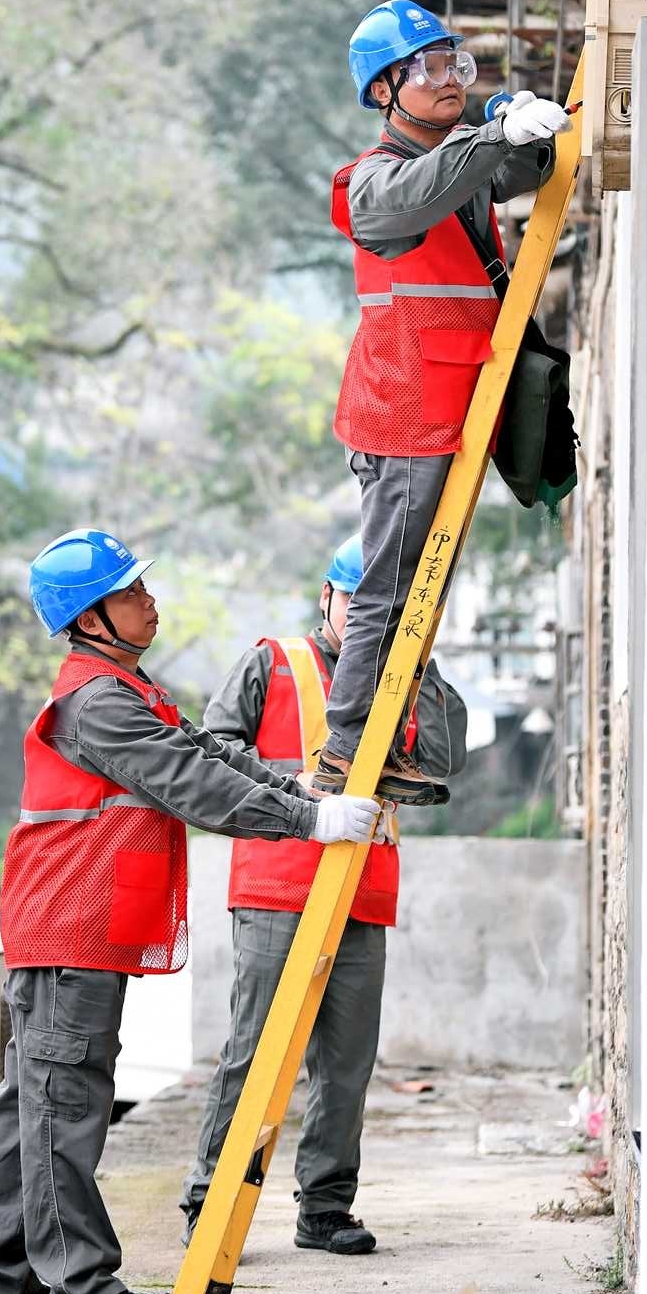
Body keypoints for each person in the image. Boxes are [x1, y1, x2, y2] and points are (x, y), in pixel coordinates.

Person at [0, 527, 381, 1294]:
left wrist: (289, 787)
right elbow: (190, 783)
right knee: (65, 1104)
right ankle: (79, 1289)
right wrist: (309, 819)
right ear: (88, 618)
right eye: (130, 593)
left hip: (73, 925)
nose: (151, 602)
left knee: (33, 1106)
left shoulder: (126, 690)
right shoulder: (98, 701)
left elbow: (201, 752)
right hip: (68, 925)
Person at [311, 0, 571, 804]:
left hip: (449, 413)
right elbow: (413, 199)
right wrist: (492, 131)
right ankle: (344, 753)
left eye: (455, 62)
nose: (449, 79)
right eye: (427, 68)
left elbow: (515, 170)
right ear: (385, 90)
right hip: (403, 414)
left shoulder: (456, 162)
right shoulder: (372, 184)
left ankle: (386, 747)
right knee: (388, 590)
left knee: (421, 593)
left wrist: (516, 122)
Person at [179, 533, 467, 1256]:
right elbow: (211, 749)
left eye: (388, 610)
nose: (371, 618)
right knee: (256, 1053)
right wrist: (295, 784)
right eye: (358, 602)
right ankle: (210, 1203)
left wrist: (419, 658)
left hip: (362, 891)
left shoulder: (407, 677)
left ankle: (326, 1209)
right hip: (278, 885)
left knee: (345, 1061)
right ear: (327, 597)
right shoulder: (272, 662)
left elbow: (442, 761)